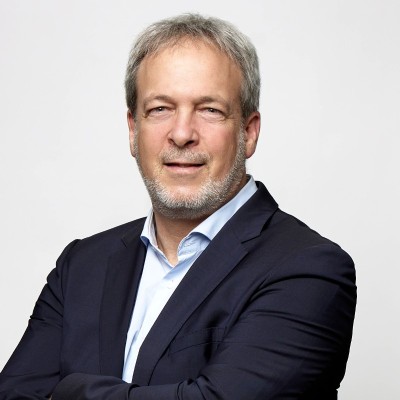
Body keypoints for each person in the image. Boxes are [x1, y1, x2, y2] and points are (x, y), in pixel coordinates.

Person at [0, 13, 356, 400]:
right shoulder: (82, 266)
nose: (182, 134)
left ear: (249, 132)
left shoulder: (309, 268)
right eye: (160, 109)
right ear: (133, 131)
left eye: (210, 110)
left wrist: (69, 393)